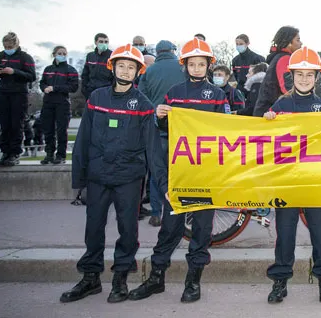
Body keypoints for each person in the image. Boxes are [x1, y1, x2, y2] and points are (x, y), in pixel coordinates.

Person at [60, 44, 166, 304]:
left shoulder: (143, 105)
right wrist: (80, 179)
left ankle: (120, 277)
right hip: (98, 175)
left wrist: (163, 184)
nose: (126, 70)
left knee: (128, 229)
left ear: (138, 72)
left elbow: (152, 149)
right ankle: (91, 278)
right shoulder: (97, 98)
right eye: (122, 65)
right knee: (93, 227)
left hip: (128, 178)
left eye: (132, 67)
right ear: (113, 67)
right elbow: (83, 139)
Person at [128, 39, 227, 304]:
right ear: (184, 65)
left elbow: (228, 131)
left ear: (208, 66)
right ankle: (156, 278)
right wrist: (159, 116)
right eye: (192, 63)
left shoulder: (217, 95)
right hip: (179, 170)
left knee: (202, 229)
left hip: (206, 172)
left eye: (201, 64)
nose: (196, 68)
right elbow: (163, 130)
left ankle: (193, 281)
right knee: (170, 227)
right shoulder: (173, 91)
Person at [264, 47, 321, 305]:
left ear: (316, 77)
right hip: (287, 180)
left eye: (310, 75)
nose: (305, 79)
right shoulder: (281, 105)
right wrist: (268, 121)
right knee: (285, 234)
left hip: (316, 180)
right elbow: (267, 140)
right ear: (292, 76)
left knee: (320, 233)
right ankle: (280, 282)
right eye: (300, 74)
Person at [138, 40, 187, 226]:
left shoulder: (149, 71)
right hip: (181, 127)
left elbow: (142, 98)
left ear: (157, 53)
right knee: (181, 171)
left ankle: (157, 212)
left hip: (157, 127)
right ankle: (179, 209)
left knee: (157, 171)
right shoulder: (182, 67)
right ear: (173, 51)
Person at [0, 32, 37, 166]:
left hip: (19, 94)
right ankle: (5, 152)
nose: (7, 49)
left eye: (9, 46)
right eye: (5, 46)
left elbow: (31, 76)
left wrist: (14, 72)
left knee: (16, 124)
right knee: (5, 124)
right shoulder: (0, 56)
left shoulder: (25, 57)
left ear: (16, 44)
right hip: (3, 93)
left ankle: (14, 153)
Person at [39, 45, 79, 165]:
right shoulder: (48, 69)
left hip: (62, 103)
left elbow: (73, 87)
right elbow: (42, 83)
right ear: (54, 54)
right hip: (48, 103)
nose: (62, 55)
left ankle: (61, 155)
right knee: (48, 130)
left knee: (61, 130)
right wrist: (44, 88)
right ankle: (49, 154)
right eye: (60, 53)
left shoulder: (70, 70)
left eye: (64, 53)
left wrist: (55, 88)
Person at [253, 26, 302, 117]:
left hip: (267, 110)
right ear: (289, 43)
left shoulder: (278, 57)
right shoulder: (285, 59)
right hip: (270, 113)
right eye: (298, 40)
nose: (301, 43)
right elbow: (287, 89)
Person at [81, 33, 113, 100]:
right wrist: (84, 89)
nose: (104, 44)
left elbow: (115, 76)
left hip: (106, 92)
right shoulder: (90, 56)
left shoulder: (112, 56)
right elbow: (85, 74)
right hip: (91, 91)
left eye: (106, 42)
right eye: (101, 41)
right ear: (96, 42)